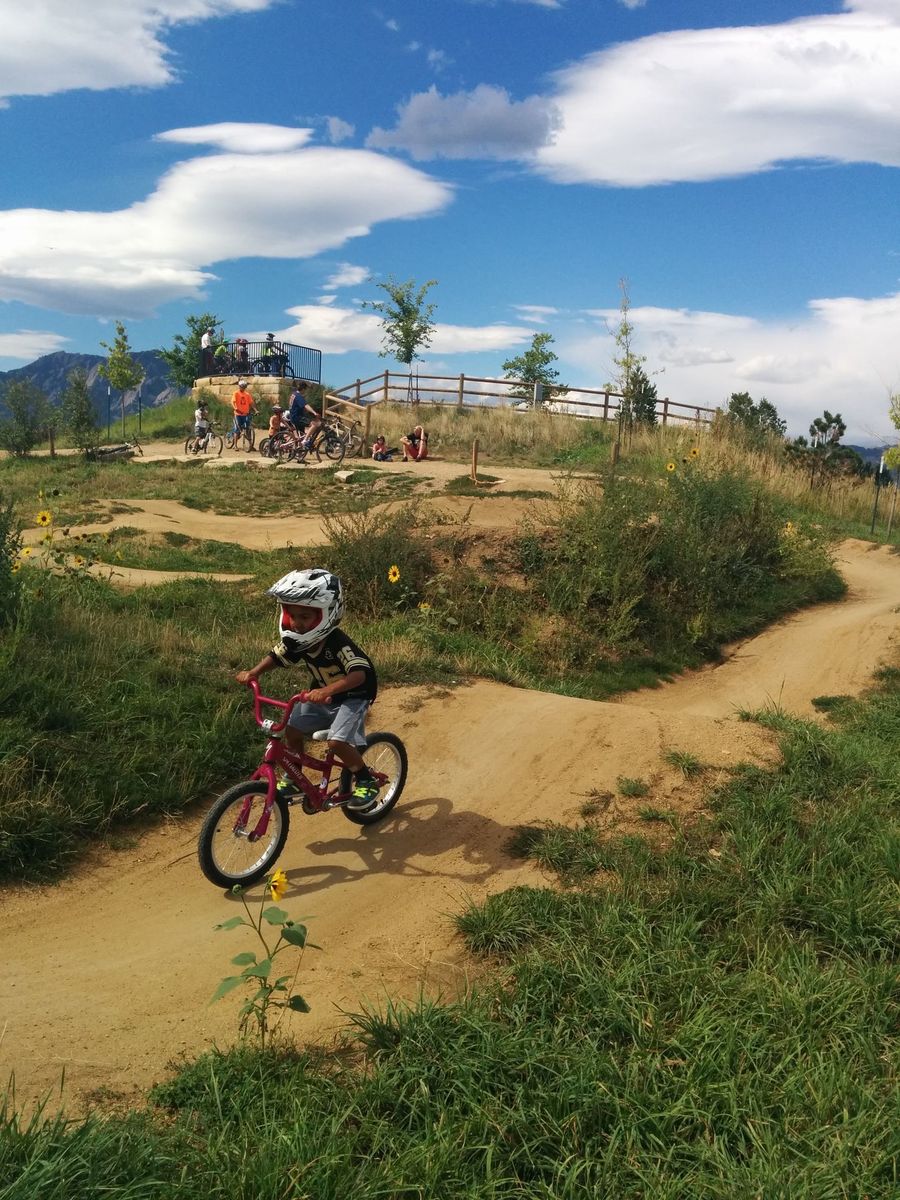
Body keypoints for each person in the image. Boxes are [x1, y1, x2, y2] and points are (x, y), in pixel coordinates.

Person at [236, 569, 381, 810]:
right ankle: (294, 778)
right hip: (323, 697)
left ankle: (366, 779)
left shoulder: (337, 643)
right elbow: (277, 656)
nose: (297, 623)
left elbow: (359, 674)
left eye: (305, 616)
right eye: (292, 615)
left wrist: (327, 691)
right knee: (292, 729)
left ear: (327, 614)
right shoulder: (299, 640)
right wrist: (254, 672)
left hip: (354, 697)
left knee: (336, 743)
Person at [231, 379, 256, 449]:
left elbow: (251, 403)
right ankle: (235, 445)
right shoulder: (236, 393)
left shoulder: (247, 394)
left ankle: (251, 445)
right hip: (238, 414)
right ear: (239, 386)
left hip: (245, 414)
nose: (243, 388)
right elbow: (233, 402)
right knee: (237, 430)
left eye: (244, 387)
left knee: (248, 429)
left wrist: (256, 410)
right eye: (242, 387)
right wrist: (235, 408)